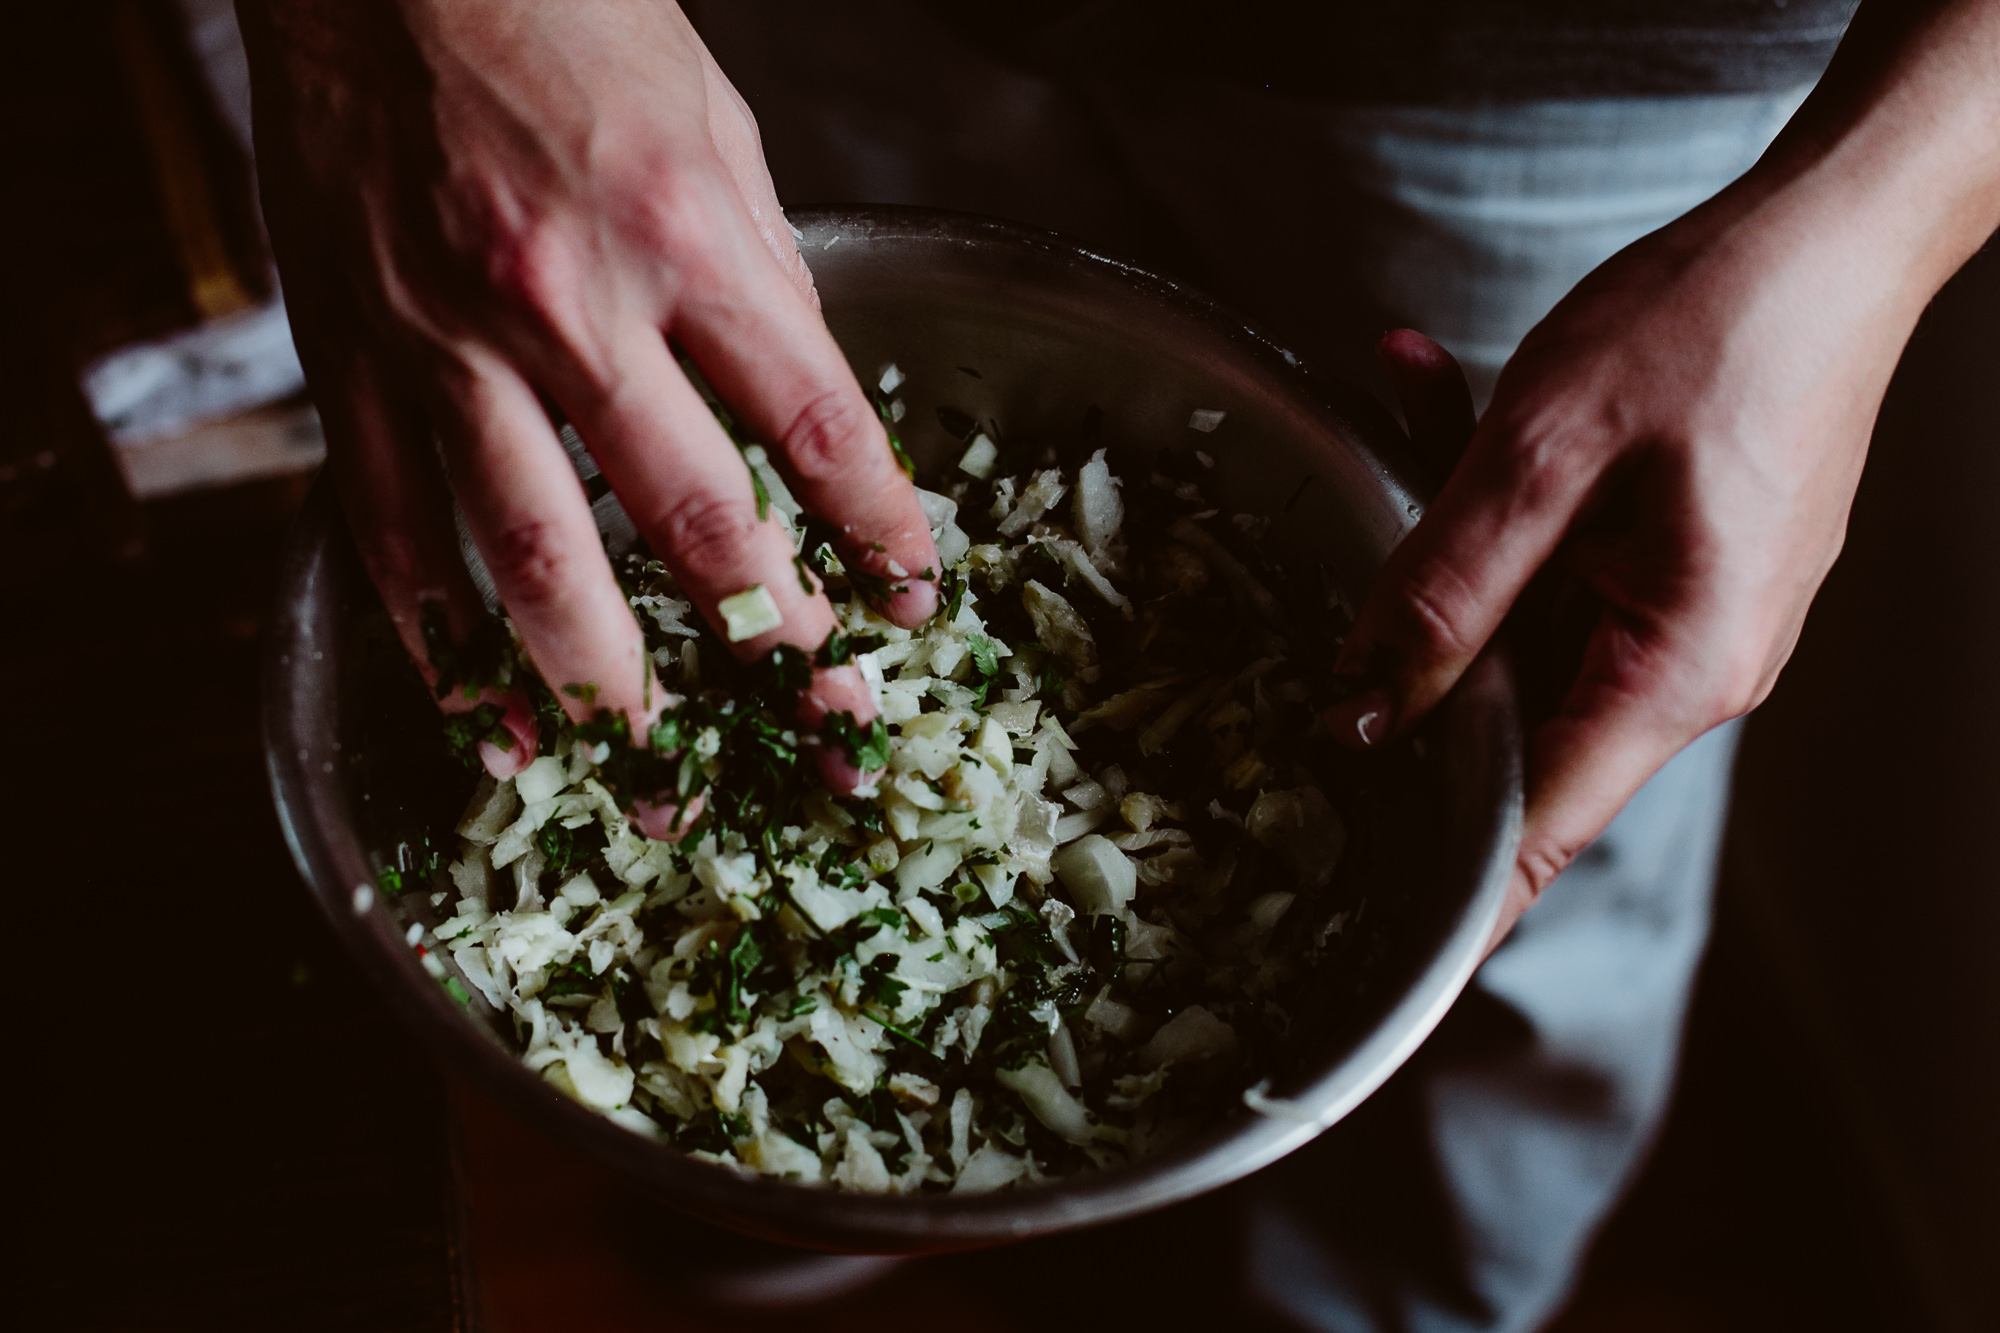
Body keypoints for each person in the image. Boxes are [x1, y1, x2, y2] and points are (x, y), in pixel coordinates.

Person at [235, 1, 2000, 1327]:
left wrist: (1880, 206)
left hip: (1573, 90)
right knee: (683, 501)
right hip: (786, 33)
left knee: (1531, 888)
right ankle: (763, 1205)